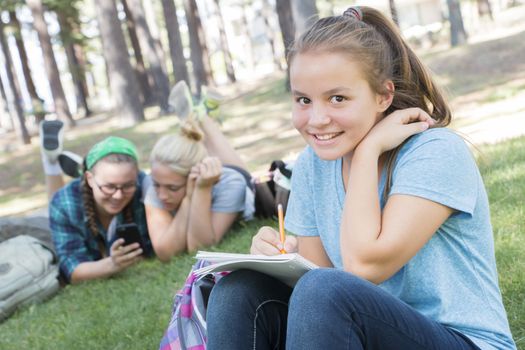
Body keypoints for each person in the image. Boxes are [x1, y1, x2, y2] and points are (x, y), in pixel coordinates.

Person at [205, 6, 516, 350]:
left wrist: (368, 153)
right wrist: (277, 259)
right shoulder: (312, 165)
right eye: (303, 100)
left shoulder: (435, 152)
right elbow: (313, 280)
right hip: (360, 334)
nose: (317, 119)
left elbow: (364, 266)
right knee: (240, 289)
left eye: (338, 98)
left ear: (384, 95)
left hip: (461, 341)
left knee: (325, 290)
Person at [144, 81, 255, 261]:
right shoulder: (156, 181)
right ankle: (199, 116)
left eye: (172, 188)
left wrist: (201, 189)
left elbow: (200, 246)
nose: (161, 195)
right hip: (198, 171)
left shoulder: (231, 184)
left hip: (231, 177)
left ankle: (204, 118)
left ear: (193, 177)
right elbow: (165, 252)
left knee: (241, 174)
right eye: (157, 185)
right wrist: (188, 198)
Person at [40, 120, 152, 284]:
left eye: (128, 185)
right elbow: (72, 269)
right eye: (109, 187)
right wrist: (112, 264)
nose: (118, 196)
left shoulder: (145, 186)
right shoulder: (64, 204)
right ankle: (51, 163)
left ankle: (82, 168)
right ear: (90, 179)